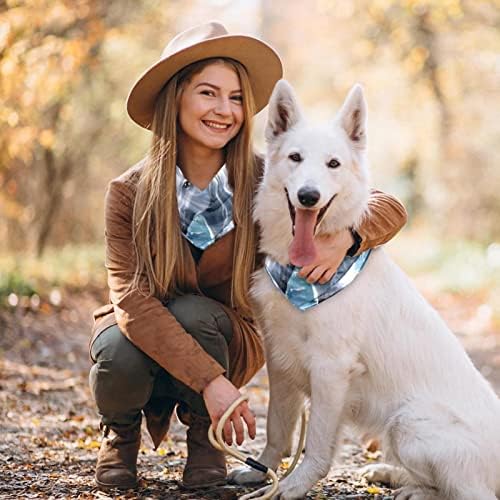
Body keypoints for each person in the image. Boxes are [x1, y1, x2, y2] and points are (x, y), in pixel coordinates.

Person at [88, 21, 408, 491]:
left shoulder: (270, 174)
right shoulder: (127, 193)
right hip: (146, 342)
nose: (224, 110)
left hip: (224, 335)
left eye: (236, 98)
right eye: (208, 93)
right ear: (174, 98)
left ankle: (206, 441)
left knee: (196, 313)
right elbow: (132, 303)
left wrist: (349, 236)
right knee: (116, 344)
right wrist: (211, 381)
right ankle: (120, 435)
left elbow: (387, 205)